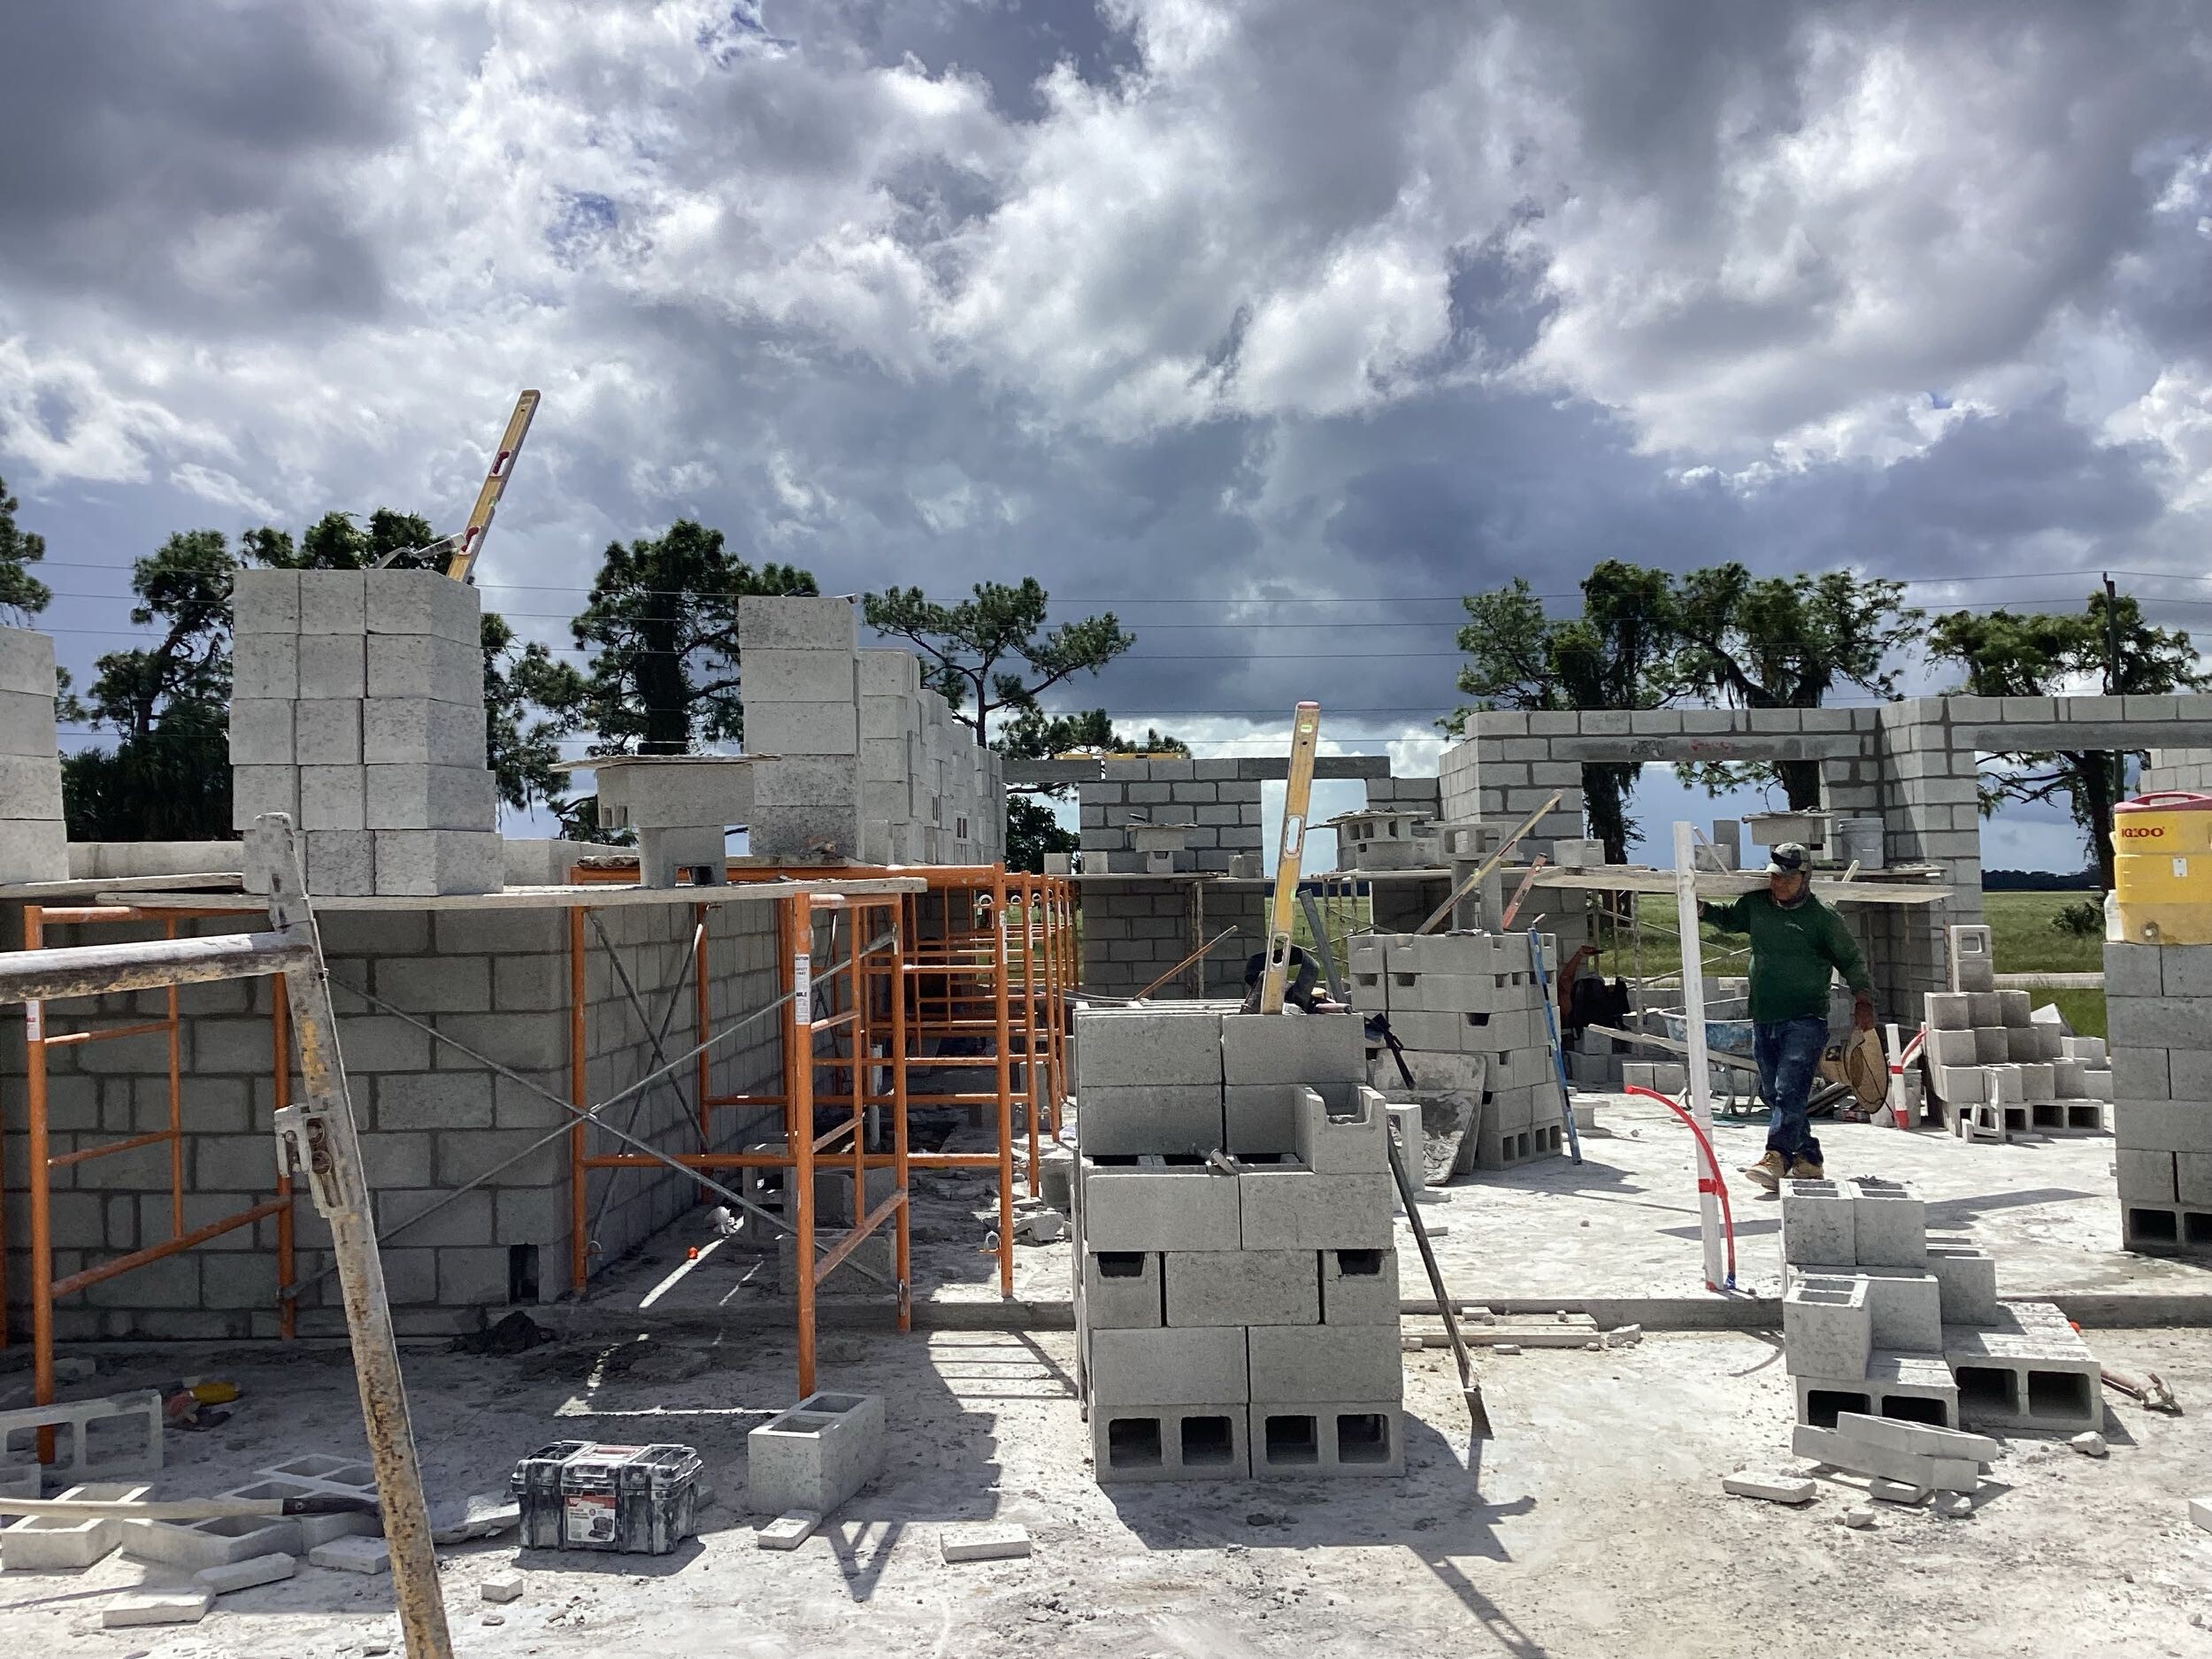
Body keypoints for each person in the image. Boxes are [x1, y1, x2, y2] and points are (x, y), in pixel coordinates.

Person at [1698, 842, 1875, 1189]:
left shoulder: (1822, 918)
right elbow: (1727, 917)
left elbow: (1851, 960)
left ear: (1804, 877)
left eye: (1787, 879)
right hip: (1764, 1015)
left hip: (1805, 1018)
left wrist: (1863, 999)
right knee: (1772, 1093)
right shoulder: (1757, 906)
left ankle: (1776, 1156)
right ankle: (1808, 1158)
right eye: (1775, 877)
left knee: (1790, 1090)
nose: (1779, 884)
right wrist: (1700, 909)